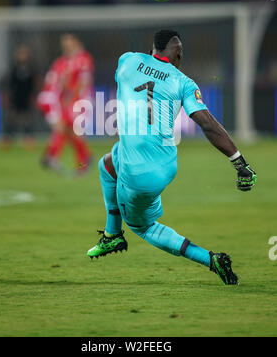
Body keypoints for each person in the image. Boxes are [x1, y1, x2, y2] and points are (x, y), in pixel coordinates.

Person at [87, 30, 257, 285]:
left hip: (140, 173)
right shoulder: (184, 82)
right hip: (166, 164)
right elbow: (207, 124)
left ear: (152, 48)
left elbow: (134, 81)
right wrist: (240, 163)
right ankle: (112, 234)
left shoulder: (128, 61)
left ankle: (212, 259)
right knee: (108, 163)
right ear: (178, 54)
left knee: (144, 227)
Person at [37, 34, 94, 175]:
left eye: (69, 43)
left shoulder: (83, 59)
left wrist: (72, 98)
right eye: (64, 44)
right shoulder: (61, 62)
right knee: (66, 130)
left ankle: (56, 157)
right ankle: (83, 159)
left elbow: (83, 82)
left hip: (80, 101)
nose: (66, 46)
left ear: (76, 43)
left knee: (73, 131)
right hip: (66, 102)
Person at [3, 44, 36, 147]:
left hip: (26, 96)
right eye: (20, 54)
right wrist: (8, 95)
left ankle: (28, 137)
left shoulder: (30, 68)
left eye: (24, 54)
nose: (22, 56)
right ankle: (9, 137)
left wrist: (33, 95)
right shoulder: (14, 68)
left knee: (27, 117)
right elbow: (10, 83)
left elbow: (33, 83)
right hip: (16, 96)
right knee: (12, 117)